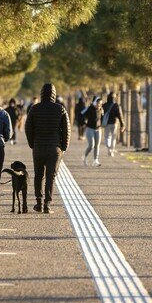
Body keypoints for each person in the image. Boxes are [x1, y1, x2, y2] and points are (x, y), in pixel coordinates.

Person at [25, 83, 71, 214]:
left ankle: (38, 202)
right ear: (54, 94)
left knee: (38, 175)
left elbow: (28, 128)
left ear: (41, 94)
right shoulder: (60, 109)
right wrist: (64, 147)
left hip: (38, 146)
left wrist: (32, 144)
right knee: (51, 176)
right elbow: (66, 130)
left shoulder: (34, 109)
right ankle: (47, 204)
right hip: (54, 148)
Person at [81, 96, 104, 166]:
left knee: (97, 145)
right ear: (94, 102)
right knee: (91, 145)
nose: (99, 105)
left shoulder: (101, 109)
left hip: (98, 129)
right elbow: (81, 114)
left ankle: (95, 160)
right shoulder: (89, 108)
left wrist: (102, 125)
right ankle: (84, 157)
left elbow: (102, 118)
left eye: (100, 103)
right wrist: (84, 122)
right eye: (98, 103)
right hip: (89, 128)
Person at [102, 92, 125, 157]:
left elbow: (101, 115)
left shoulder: (104, 105)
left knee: (107, 136)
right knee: (114, 137)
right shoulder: (116, 105)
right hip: (115, 123)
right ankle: (112, 149)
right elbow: (120, 115)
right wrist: (122, 124)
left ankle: (109, 147)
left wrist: (101, 122)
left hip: (107, 124)